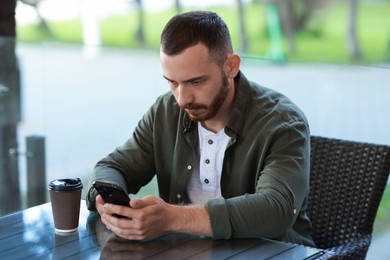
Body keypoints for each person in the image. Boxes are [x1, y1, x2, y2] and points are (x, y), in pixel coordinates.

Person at [86, 10, 314, 247]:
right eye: (173, 82)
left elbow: (275, 210)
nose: (182, 99)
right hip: (185, 252)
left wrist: (171, 218)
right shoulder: (165, 111)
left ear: (231, 66)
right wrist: (107, 201)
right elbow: (111, 167)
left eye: (196, 81)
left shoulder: (283, 123)